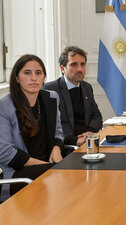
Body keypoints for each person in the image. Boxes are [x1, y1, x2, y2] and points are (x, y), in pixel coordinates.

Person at [0, 55, 64, 201]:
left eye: (38, 73)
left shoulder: (51, 98)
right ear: (17, 78)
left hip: (49, 168)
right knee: (67, 176)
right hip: (18, 174)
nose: (34, 78)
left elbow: (58, 132)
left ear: (44, 77)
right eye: (27, 73)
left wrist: (56, 148)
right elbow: (5, 153)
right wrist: (47, 166)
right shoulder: (4, 106)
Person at [43, 46, 102, 148]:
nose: (80, 69)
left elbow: (96, 115)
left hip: (87, 140)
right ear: (63, 68)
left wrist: (90, 131)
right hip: (65, 145)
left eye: (82, 64)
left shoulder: (87, 87)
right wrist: (75, 140)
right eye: (74, 64)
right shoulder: (50, 89)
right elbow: (50, 124)